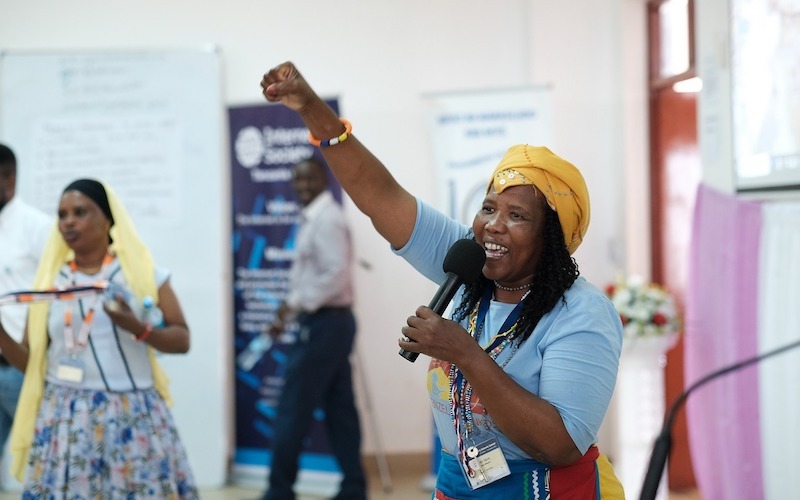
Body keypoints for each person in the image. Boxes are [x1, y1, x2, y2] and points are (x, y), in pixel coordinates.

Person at [260, 62, 625, 499]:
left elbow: (561, 444)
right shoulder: (470, 267)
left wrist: (464, 353)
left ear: (553, 237)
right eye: (489, 208)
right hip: (460, 484)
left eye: (517, 216)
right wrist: (311, 109)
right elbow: (381, 197)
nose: (493, 226)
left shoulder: (582, 312)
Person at [0, 178, 199, 498]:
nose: (68, 222)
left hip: (129, 413)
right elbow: (31, 364)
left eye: (80, 212)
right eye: (62, 215)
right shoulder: (51, 283)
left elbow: (182, 339)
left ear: (108, 219)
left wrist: (138, 327)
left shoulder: (142, 276)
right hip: (64, 418)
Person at [261, 157, 366, 500]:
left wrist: (296, 306)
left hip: (324, 325)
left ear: (324, 179)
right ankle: (353, 488)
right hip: (327, 324)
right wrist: (289, 311)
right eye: (297, 180)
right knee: (340, 411)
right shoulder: (316, 218)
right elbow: (314, 276)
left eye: (309, 179)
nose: (302, 185)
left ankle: (279, 492)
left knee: (293, 409)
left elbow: (334, 275)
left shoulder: (328, 220)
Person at [0, 144, 52, 488]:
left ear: (10, 179)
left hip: (20, 367)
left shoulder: (38, 226)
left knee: (41, 463)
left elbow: (51, 294)